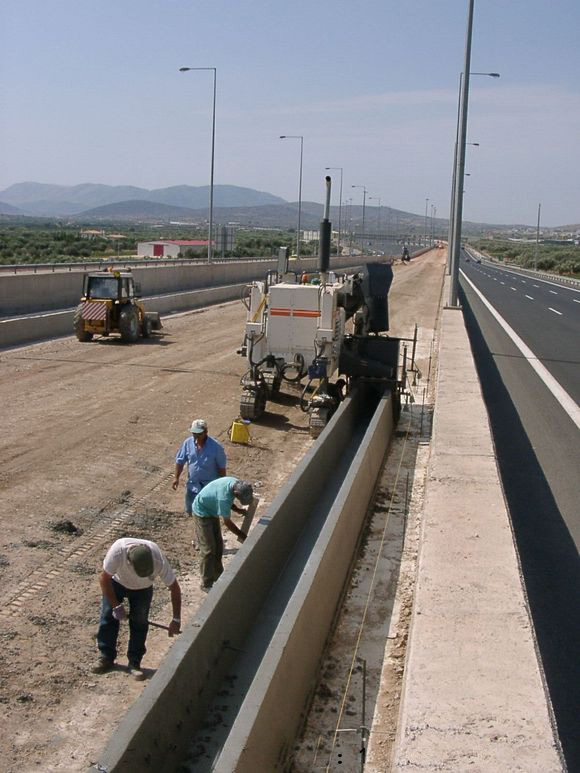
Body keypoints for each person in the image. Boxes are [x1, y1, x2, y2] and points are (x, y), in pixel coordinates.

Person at [94, 538, 182, 680]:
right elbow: (104, 579)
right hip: (117, 583)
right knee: (108, 617)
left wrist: (176, 619)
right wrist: (116, 605)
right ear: (129, 562)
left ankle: (134, 663)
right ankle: (106, 656)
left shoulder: (157, 557)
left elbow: (174, 588)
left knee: (140, 623)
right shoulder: (118, 551)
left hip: (142, 590)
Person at [192, 477, 253, 591]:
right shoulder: (224, 497)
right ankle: (206, 583)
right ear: (236, 493)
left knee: (219, 546)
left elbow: (230, 501)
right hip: (202, 513)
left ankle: (218, 576)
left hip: (212, 510)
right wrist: (243, 536)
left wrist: (239, 510)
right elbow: (228, 523)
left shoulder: (235, 483)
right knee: (208, 550)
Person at [172, 419, 227, 515]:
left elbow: (221, 468)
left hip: (209, 490)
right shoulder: (188, 443)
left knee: (207, 516)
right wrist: (176, 478)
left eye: (199, 434)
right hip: (192, 488)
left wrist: (222, 488)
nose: (196, 437)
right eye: (194, 434)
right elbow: (180, 461)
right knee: (191, 513)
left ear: (206, 432)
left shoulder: (216, 447)